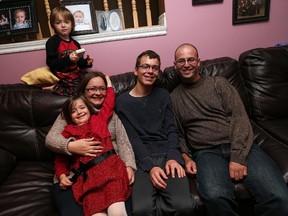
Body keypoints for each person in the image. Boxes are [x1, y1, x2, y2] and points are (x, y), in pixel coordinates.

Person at [171, 43, 288, 216]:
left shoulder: (219, 84)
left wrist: (238, 157)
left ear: (199, 62)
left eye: (191, 59)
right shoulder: (173, 97)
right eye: (181, 61)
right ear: (175, 65)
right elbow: (179, 133)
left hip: (242, 145)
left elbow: (240, 118)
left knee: (279, 196)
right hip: (206, 153)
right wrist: (186, 158)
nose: (186, 64)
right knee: (215, 197)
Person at [115, 50, 195, 215]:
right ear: (136, 70)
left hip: (167, 155)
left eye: (155, 68)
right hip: (141, 160)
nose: (150, 71)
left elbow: (172, 129)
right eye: (145, 66)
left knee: (185, 206)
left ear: (158, 72)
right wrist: (150, 167)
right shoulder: (122, 102)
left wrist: (173, 157)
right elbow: (132, 139)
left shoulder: (163, 95)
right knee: (141, 210)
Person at [45, 71, 136, 216]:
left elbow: (124, 143)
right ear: (83, 91)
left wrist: (129, 166)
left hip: (111, 172)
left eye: (102, 89)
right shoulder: (68, 114)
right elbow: (51, 142)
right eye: (92, 89)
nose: (98, 92)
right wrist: (71, 146)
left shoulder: (104, 116)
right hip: (81, 177)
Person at [46, 6, 94, 96]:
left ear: (71, 25)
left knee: (93, 81)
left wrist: (87, 62)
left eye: (66, 22)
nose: (63, 25)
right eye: (58, 22)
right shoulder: (52, 42)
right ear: (53, 25)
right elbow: (51, 63)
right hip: (63, 77)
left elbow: (79, 63)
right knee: (79, 91)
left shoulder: (75, 43)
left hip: (76, 75)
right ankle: (55, 88)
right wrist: (68, 59)